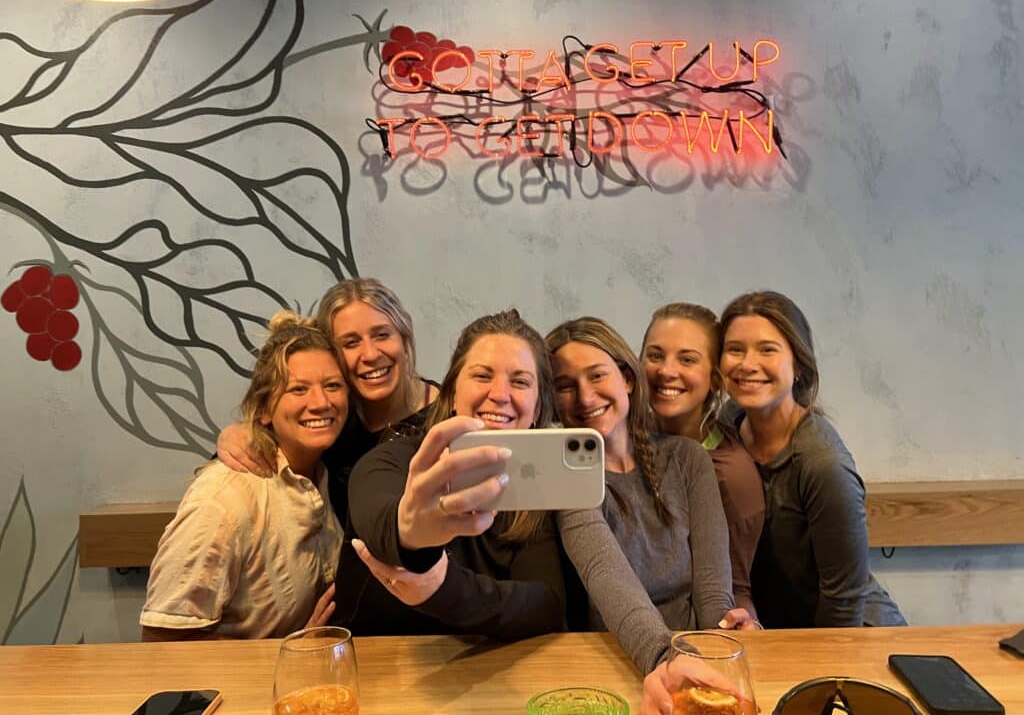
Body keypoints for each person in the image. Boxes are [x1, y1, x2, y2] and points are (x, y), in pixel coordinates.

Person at [337, 309, 583, 637]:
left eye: (520, 382)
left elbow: (545, 605)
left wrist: (441, 588)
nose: (500, 394)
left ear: (537, 408)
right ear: (452, 392)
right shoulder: (388, 462)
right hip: (377, 662)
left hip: (491, 664)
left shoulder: (535, 489)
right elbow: (382, 524)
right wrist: (411, 534)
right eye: (482, 376)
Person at [545, 316, 752, 676]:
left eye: (597, 375)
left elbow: (712, 588)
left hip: (693, 656)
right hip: (616, 662)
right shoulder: (565, 475)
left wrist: (727, 632)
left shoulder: (687, 458)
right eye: (565, 386)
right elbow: (606, 574)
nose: (585, 397)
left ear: (627, 378)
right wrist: (667, 660)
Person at [140, 312, 344, 640]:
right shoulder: (222, 501)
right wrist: (294, 653)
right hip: (258, 675)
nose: (321, 402)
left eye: (332, 386)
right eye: (298, 389)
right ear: (264, 409)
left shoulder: (325, 474)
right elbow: (161, 645)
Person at [717, 290, 905, 628]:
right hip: (783, 633)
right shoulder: (728, 424)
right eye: (735, 349)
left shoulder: (822, 463)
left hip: (852, 635)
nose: (747, 364)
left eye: (767, 349)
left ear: (799, 367)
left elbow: (843, 605)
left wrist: (819, 658)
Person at [216, 277, 438, 527]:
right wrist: (243, 433)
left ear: (404, 337)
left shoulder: (447, 418)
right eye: (351, 343)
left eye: (382, 335)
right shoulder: (330, 416)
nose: (370, 354)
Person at [640, 303, 765, 617]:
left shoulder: (730, 476)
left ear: (715, 379)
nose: (667, 371)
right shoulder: (625, 437)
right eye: (655, 356)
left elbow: (734, 589)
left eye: (687, 359)